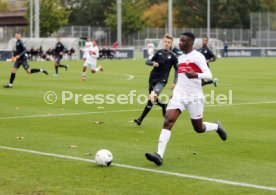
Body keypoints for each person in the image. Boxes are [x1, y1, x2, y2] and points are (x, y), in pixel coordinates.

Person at [145, 32, 227, 166]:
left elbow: (209, 75)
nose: (180, 43)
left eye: (183, 41)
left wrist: (196, 75)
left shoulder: (198, 56)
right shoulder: (181, 57)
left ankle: (217, 126)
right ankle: (159, 155)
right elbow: (181, 78)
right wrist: (174, 94)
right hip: (179, 95)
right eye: (180, 41)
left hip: (195, 97)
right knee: (168, 121)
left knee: (198, 128)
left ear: (190, 43)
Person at [134, 34, 178, 126]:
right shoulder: (158, 52)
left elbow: (177, 69)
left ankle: (140, 119)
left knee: (152, 97)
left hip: (162, 81)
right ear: (163, 42)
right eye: (165, 42)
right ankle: (162, 105)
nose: (166, 43)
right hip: (152, 78)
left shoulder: (173, 56)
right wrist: (153, 63)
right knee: (152, 99)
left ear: (171, 44)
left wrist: (174, 82)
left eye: (168, 42)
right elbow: (147, 61)